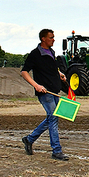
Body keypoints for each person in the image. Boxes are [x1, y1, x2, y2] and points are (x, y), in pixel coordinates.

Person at [21, 29, 69, 161]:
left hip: (55, 91)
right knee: (53, 118)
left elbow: (51, 69)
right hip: (45, 92)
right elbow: (24, 72)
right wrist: (36, 85)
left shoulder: (51, 52)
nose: (53, 39)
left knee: (52, 118)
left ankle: (29, 139)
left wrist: (59, 74)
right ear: (43, 39)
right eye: (51, 37)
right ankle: (56, 151)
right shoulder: (35, 54)